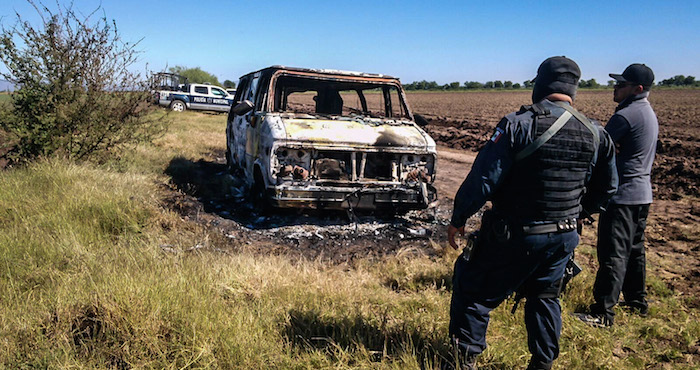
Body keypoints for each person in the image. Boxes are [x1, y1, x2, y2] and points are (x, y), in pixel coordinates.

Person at [447, 56, 618, 370]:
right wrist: (578, 211)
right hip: (564, 236)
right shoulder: (596, 133)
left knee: (473, 290)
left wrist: (458, 219)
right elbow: (608, 189)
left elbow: (484, 180)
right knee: (545, 295)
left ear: (540, 84)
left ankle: (463, 360)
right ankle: (543, 363)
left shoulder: (518, 124)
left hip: (515, 234)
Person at [578, 64, 659, 327]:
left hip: (622, 195)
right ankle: (637, 301)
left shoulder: (626, 115)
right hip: (642, 194)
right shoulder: (646, 111)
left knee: (613, 254)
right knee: (635, 251)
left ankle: (603, 313)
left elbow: (597, 149)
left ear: (637, 89)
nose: (615, 88)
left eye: (621, 84)